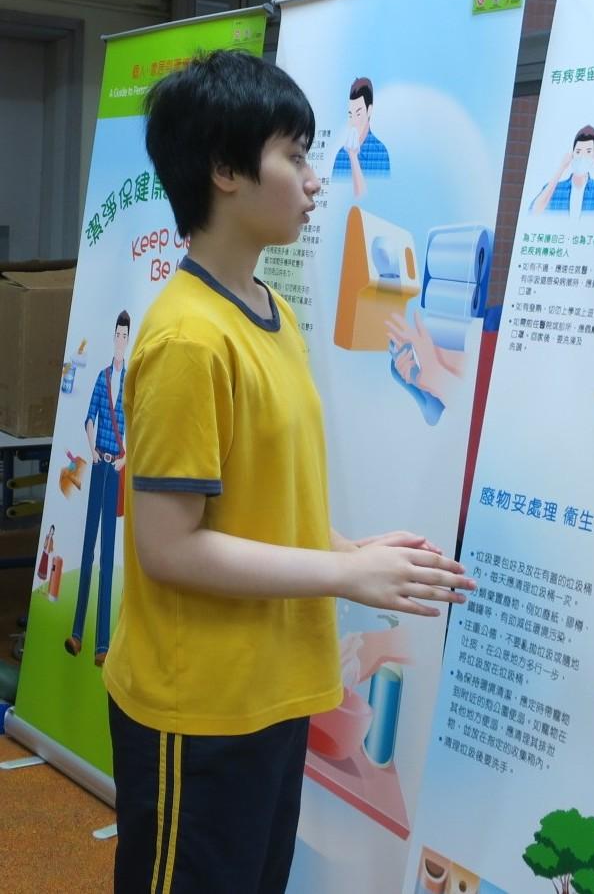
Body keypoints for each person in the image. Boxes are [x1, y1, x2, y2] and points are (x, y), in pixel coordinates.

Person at [101, 50, 473, 894]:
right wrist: (344, 573)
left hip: (272, 691)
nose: (313, 181)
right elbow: (170, 547)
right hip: (198, 705)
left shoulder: (270, 312)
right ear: (225, 169)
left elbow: (257, 507)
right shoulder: (188, 338)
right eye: (295, 156)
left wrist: (353, 550)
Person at [65, 310, 129, 665]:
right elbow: (89, 417)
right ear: (113, 336)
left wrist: (126, 457)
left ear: (128, 339)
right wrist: (92, 450)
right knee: (88, 546)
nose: (120, 340)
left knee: (107, 553)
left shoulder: (131, 381)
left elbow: (138, 423)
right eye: (117, 334)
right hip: (99, 463)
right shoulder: (103, 378)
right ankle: (77, 632)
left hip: (116, 468)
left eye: (124, 335)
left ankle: (102, 643)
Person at [530, 124, 594, 216]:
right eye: (578, 151)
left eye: (588, 151)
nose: (582, 156)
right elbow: (535, 211)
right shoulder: (555, 188)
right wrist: (561, 168)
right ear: (572, 154)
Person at [331, 76, 390, 199]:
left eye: (358, 114)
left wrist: (353, 156)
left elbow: (371, 198)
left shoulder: (380, 153)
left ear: (369, 110)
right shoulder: (341, 155)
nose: (353, 122)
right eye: (350, 115)